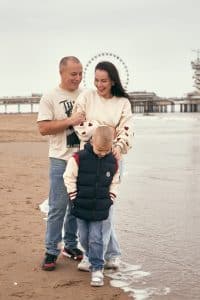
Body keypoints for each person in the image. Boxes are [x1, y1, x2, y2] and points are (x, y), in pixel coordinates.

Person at [73, 61, 133, 270]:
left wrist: (117, 143)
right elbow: (79, 126)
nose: (99, 84)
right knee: (90, 208)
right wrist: (106, 130)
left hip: (112, 158)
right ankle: (110, 254)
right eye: (96, 80)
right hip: (88, 159)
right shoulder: (86, 97)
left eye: (104, 81)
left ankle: (94, 256)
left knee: (105, 208)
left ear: (113, 80)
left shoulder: (123, 102)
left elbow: (127, 129)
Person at [37, 56, 86, 271]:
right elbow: (43, 128)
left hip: (84, 158)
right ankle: (51, 251)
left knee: (76, 207)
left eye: (80, 73)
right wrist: (70, 121)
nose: (77, 78)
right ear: (61, 73)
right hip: (60, 159)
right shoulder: (50, 97)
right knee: (58, 207)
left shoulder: (87, 95)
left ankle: (71, 246)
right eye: (73, 74)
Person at [63, 126, 120, 286]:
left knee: (96, 238)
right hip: (81, 205)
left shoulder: (112, 161)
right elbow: (69, 177)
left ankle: (97, 268)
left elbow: (115, 181)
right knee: (84, 238)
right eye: (99, 150)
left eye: (105, 151)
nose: (102, 153)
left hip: (101, 207)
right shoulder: (78, 158)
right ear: (92, 141)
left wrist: (111, 198)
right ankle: (91, 256)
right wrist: (73, 196)